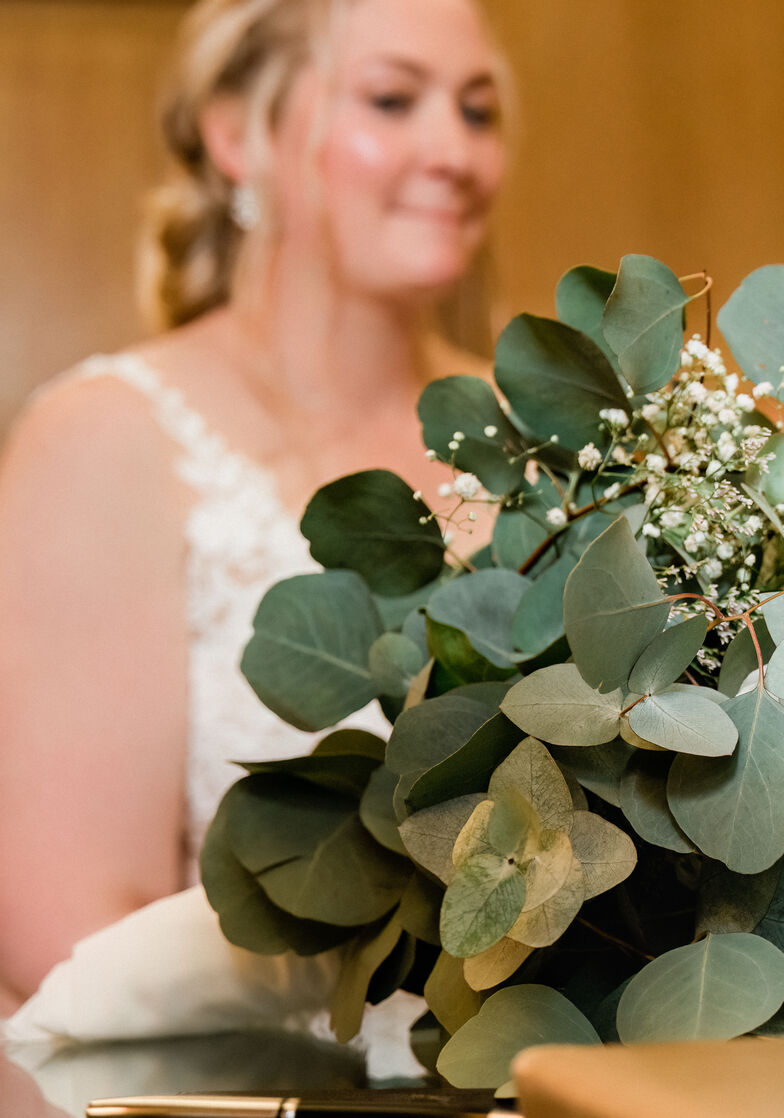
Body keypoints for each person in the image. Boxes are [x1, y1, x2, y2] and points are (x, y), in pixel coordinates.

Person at [0, 0, 506, 1012]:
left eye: (480, 110)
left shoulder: (549, 439)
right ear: (238, 133)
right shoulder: (110, 439)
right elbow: (68, 933)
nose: (453, 150)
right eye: (393, 99)